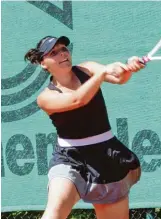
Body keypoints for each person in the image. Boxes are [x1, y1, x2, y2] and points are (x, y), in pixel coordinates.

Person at [24, 36, 145, 219]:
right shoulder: (45, 98)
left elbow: (119, 78)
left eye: (64, 48)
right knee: (54, 213)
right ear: (43, 63)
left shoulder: (87, 68)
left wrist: (129, 67)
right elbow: (78, 100)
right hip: (69, 158)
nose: (62, 53)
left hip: (107, 156)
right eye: (53, 52)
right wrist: (102, 74)